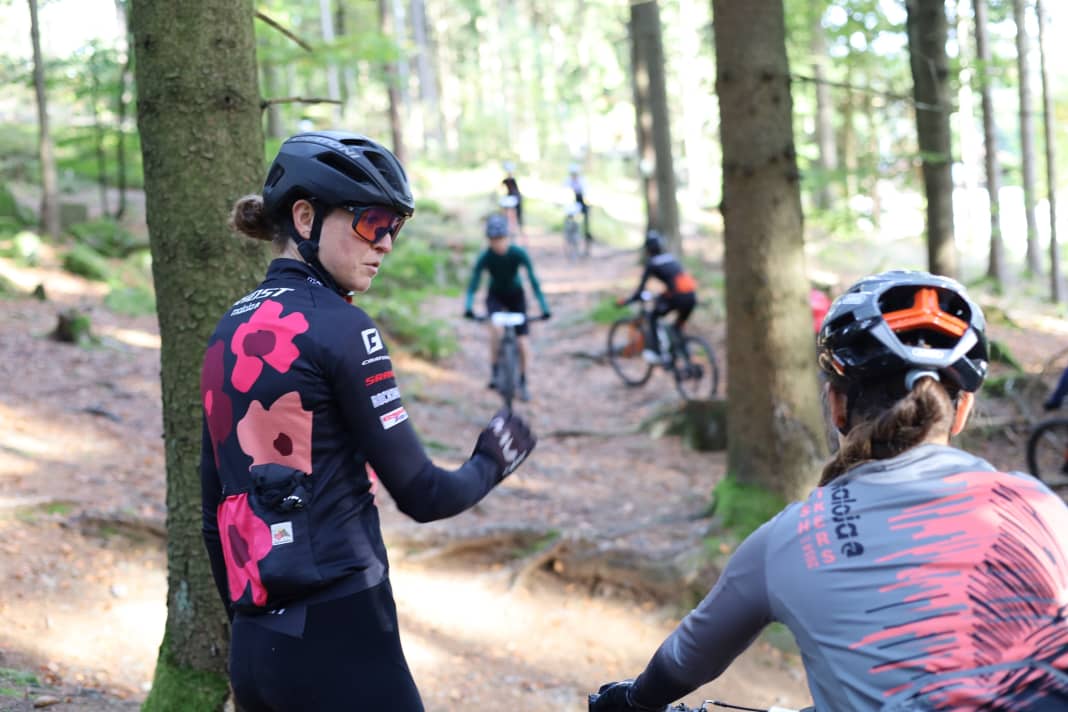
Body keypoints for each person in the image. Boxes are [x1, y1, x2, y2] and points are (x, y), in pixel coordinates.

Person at [590, 270, 1068, 712]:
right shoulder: (1042, 506)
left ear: (836, 405)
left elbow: (682, 662)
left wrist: (631, 702)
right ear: (961, 412)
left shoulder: (790, 538)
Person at [199, 131, 537, 712]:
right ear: (305, 217)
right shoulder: (344, 329)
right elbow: (424, 494)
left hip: (255, 650)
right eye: (370, 222)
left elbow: (212, 517)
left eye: (394, 228)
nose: (384, 243)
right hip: (343, 634)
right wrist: (493, 458)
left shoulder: (227, 330)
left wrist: (249, 630)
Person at [463, 212, 551, 402]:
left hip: (516, 296)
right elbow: (473, 284)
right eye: (494, 240)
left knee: (522, 341)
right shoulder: (486, 257)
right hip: (495, 296)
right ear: (489, 241)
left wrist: (544, 307)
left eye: (501, 239)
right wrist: (468, 307)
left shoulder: (518, 253)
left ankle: (523, 380)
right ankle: (495, 371)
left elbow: (533, 281)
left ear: (508, 238)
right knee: (495, 330)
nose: (498, 244)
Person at [616, 229, 698, 365]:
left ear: (648, 249)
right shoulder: (670, 258)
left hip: (678, 297)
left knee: (653, 317)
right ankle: (685, 355)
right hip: (691, 296)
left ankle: (656, 353)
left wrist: (627, 301)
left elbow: (640, 291)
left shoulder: (653, 263)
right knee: (676, 327)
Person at [567, 162, 593, 252]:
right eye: (572, 174)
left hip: (583, 203)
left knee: (586, 222)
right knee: (570, 217)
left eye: (575, 174)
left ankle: (587, 238)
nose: (573, 176)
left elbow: (587, 195)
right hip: (574, 204)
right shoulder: (568, 181)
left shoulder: (582, 182)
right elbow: (563, 190)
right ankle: (570, 234)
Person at [501, 160, 524, 237]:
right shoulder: (507, 180)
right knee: (509, 214)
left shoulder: (512, 180)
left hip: (514, 199)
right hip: (512, 199)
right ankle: (511, 228)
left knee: (513, 215)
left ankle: (514, 228)